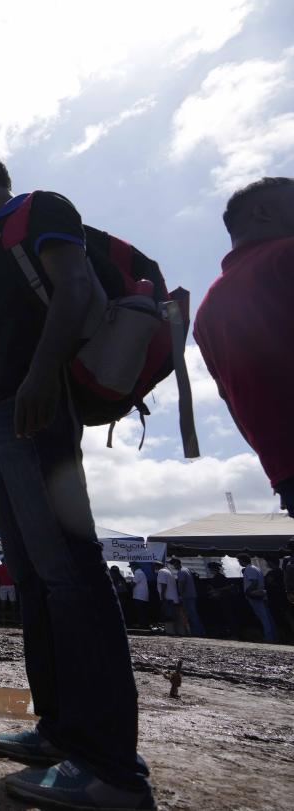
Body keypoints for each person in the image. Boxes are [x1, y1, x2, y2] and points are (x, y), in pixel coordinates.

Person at [0, 146, 153, 808]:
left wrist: (40, 376)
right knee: (37, 578)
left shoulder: (37, 208)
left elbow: (73, 288)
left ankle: (110, 769)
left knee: (68, 574)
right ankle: (60, 731)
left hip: (34, 405)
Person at [193, 177, 294, 520]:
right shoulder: (287, 255)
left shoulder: (206, 313)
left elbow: (232, 401)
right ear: (264, 212)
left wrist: (278, 470)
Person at [239, 554, 276, 642]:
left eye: (239, 560)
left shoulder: (249, 569)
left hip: (255, 596)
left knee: (263, 617)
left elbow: (254, 582)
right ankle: (273, 636)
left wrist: (248, 592)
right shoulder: (256, 568)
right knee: (268, 617)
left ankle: (269, 637)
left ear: (242, 560)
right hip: (261, 595)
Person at [170, 557, 204, 637]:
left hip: (187, 596)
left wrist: (181, 595)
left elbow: (181, 585)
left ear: (176, 564)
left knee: (191, 614)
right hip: (192, 595)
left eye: (172, 564)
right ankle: (200, 631)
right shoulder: (186, 569)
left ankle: (197, 632)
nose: (172, 566)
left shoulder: (181, 572)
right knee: (194, 613)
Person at [156, 560, 181, 635]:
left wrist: (162, 596)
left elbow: (164, 584)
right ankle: (176, 631)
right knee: (174, 615)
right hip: (173, 597)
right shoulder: (168, 571)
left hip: (168, 598)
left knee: (168, 615)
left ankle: (170, 632)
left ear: (157, 566)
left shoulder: (161, 571)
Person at [130, 565, 151, 630]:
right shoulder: (141, 572)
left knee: (140, 612)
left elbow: (133, 584)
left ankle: (142, 626)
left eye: (131, 567)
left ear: (134, 567)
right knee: (143, 611)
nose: (131, 569)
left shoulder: (137, 572)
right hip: (143, 596)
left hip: (139, 596)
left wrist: (131, 583)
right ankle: (145, 625)